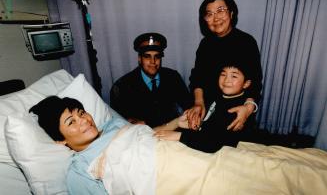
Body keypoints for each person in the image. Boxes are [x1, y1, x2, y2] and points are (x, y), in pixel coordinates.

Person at [29, 96, 327, 195]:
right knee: (257, 178)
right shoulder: (78, 170)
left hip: (183, 144)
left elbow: (149, 133)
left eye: (82, 113)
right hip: (167, 174)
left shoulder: (112, 126)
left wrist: (178, 122)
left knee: (262, 157)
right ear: (60, 140)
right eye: (71, 122)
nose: (84, 121)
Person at [187, 0, 263, 131]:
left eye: (220, 11)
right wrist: (198, 102)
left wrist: (248, 108)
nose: (215, 18)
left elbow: (255, 81)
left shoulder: (246, 42)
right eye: (209, 14)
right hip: (208, 108)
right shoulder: (205, 44)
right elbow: (198, 76)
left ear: (232, 13)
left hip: (236, 109)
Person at [154, 59, 257, 152]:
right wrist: (188, 125)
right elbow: (209, 127)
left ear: (246, 84)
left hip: (217, 151)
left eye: (234, 76)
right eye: (223, 74)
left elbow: (213, 143)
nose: (226, 80)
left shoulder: (238, 110)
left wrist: (179, 136)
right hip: (198, 138)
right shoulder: (217, 96)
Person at [110, 32, 192, 128]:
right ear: (139, 59)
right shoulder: (122, 86)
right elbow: (118, 122)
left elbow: (188, 106)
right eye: (147, 56)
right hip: (142, 138)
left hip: (174, 132)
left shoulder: (173, 77)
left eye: (157, 56)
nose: (153, 62)